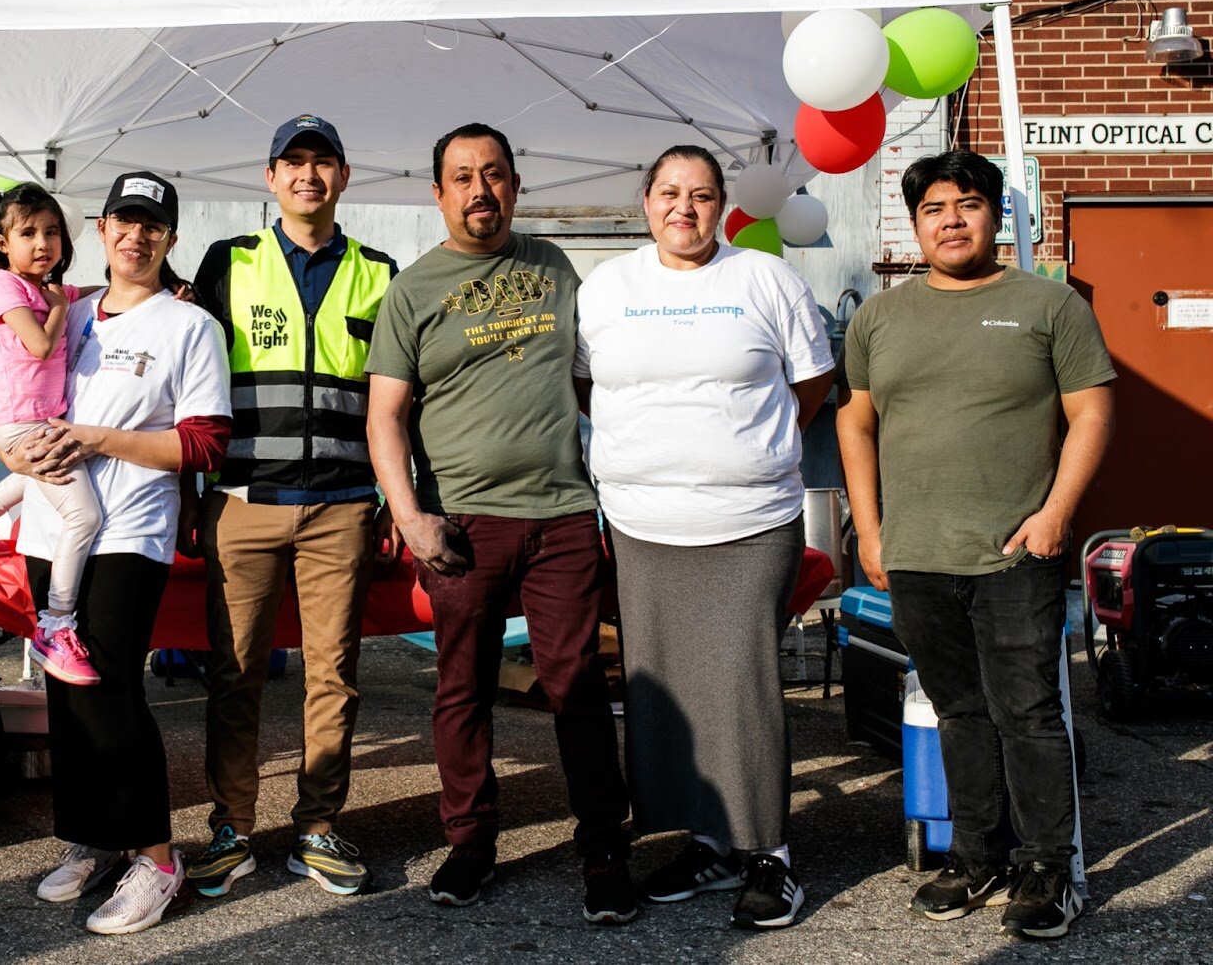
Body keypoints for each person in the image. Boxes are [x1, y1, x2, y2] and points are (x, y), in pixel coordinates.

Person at [836, 149, 1114, 941]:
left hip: (1015, 551)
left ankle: (1050, 869)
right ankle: (978, 855)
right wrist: (873, 529)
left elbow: (1092, 414)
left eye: (967, 204)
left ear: (996, 214)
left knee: (1028, 713)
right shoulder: (880, 317)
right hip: (918, 553)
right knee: (957, 711)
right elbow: (855, 421)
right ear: (916, 224)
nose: (951, 220)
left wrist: (1057, 513)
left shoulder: (1049, 305)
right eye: (933, 209)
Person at [365, 122, 634, 925]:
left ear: (515, 184)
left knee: (577, 687)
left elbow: (596, 380)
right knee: (463, 691)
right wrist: (410, 516)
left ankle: (604, 850)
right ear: (438, 193)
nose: (480, 190)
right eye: (462, 177)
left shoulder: (553, 265)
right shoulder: (412, 290)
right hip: (463, 524)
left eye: (494, 174)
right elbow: (385, 416)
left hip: (560, 514)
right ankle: (472, 844)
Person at [573, 145, 835, 931]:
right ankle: (709, 843)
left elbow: (812, 381)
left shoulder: (766, 280)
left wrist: (748, 450)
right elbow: (588, 386)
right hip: (643, 525)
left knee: (743, 683)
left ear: (723, 206)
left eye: (701, 195)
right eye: (668, 193)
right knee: (668, 691)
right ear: (644, 202)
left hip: (749, 522)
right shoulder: (606, 289)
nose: (683, 208)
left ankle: (768, 856)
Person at [8, 171, 234, 936]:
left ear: (170, 239)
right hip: (50, 526)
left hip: (129, 530)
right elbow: (13, 390)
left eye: (153, 226)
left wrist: (98, 440)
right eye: (123, 222)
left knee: (105, 686)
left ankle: (158, 859)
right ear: (100, 229)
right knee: (63, 694)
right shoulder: (65, 314)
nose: (136, 237)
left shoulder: (189, 326)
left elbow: (205, 443)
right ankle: (93, 835)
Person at [183, 114, 398, 899]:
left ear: (344, 178)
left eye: (324, 162)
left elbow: (394, 400)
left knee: (333, 675)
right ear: (270, 178)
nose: (309, 175)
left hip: (342, 505)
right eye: (294, 162)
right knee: (235, 674)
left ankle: (315, 828)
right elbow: (185, 387)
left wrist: (397, 502)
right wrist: (187, 497)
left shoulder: (379, 273)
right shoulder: (228, 263)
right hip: (243, 502)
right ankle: (232, 828)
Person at [0, 183, 102, 686]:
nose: (42, 243)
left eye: (51, 232)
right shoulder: (3, 286)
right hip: (21, 422)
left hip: (38, 420)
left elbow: (97, 293)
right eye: (27, 232)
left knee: (37, 479)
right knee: (83, 514)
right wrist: (56, 305)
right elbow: (37, 344)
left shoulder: (47, 287)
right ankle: (57, 622)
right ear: (2, 241)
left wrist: (155, 292)